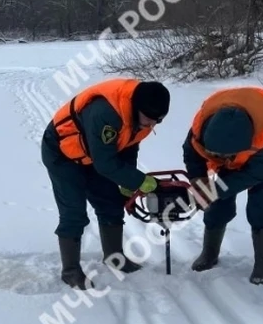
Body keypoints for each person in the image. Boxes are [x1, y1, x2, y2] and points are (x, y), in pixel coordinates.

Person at [41, 78, 171, 289]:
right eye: (149, 119)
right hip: (62, 154)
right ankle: (70, 271)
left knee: (111, 204)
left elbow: (128, 146)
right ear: (137, 107)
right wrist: (143, 181)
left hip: (95, 154)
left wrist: (128, 182)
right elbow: (105, 164)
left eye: (158, 121)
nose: (152, 125)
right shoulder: (106, 112)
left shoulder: (142, 118)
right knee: (73, 213)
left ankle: (114, 257)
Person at [182, 86, 263, 285]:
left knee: (260, 202)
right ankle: (209, 252)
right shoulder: (202, 126)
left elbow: (255, 174)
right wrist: (200, 183)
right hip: (239, 135)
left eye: (226, 155)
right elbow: (192, 154)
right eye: (216, 154)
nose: (221, 158)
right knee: (218, 202)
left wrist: (214, 191)